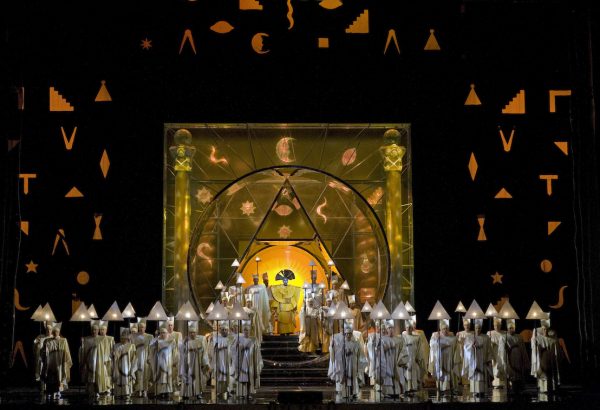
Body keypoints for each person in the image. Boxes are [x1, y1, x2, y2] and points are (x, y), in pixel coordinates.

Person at [329, 323, 362, 400]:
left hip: (352, 363)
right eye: (347, 334)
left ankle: (353, 392)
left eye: (350, 334)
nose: (348, 335)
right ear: (345, 334)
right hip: (345, 363)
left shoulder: (355, 343)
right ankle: (345, 393)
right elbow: (338, 354)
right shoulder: (342, 344)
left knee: (353, 378)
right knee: (346, 378)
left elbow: (358, 352)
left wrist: (353, 352)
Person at [230, 321, 262, 399]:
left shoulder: (253, 339)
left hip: (250, 362)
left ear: (250, 330)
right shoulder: (238, 338)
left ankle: (249, 393)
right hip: (241, 361)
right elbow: (233, 349)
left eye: (247, 330)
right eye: (244, 330)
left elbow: (257, 351)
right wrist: (239, 347)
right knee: (242, 378)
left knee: (249, 378)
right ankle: (241, 393)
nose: (246, 332)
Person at [40, 323, 72, 400]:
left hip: (59, 363)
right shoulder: (47, 341)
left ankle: (58, 391)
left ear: (59, 332)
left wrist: (67, 360)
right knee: (50, 377)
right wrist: (44, 352)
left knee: (59, 376)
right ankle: (49, 391)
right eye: (54, 332)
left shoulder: (63, 341)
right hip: (50, 362)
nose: (55, 333)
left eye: (57, 332)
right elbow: (43, 352)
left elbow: (66, 351)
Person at [461, 318, 493, 398]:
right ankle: (475, 391)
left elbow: (489, 349)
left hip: (482, 361)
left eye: (479, 328)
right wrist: (472, 346)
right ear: (474, 328)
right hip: (473, 361)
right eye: (476, 328)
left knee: (481, 377)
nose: (478, 329)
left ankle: (482, 392)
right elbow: (466, 348)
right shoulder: (470, 337)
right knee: (475, 377)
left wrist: (489, 359)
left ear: (481, 328)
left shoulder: (486, 337)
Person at [179, 321, 209, 400]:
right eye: (191, 332)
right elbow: (181, 352)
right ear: (189, 333)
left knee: (197, 378)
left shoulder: (200, 341)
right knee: (187, 377)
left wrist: (205, 363)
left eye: (194, 332)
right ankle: (186, 393)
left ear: (196, 333)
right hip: (188, 364)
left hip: (197, 364)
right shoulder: (186, 341)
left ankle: (197, 393)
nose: (192, 334)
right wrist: (184, 344)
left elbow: (204, 352)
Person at [428, 319, 460, 394]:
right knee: (441, 372)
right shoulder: (436, 337)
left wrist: (457, 338)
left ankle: (447, 388)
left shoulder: (451, 338)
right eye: (443, 329)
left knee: (448, 373)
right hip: (440, 359)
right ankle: (440, 387)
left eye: (446, 329)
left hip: (448, 359)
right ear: (440, 329)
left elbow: (455, 344)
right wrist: (436, 340)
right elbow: (432, 345)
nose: (445, 330)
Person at [531, 318, 560, 395]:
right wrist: (535, 342)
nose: (545, 331)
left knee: (551, 373)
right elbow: (535, 346)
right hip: (543, 357)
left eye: (546, 329)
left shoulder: (552, 339)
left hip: (550, 357)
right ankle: (543, 388)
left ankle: (551, 388)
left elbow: (556, 350)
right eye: (543, 329)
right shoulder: (539, 338)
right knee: (544, 373)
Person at [149, 323, 177, 399]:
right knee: (160, 378)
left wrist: (175, 361)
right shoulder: (157, 341)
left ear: (167, 333)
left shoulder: (171, 341)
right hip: (159, 363)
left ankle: (167, 392)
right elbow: (151, 348)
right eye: (161, 333)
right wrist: (155, 337)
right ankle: (160, 392)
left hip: (168, 362)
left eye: (164, 333)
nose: (162, 334)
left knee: (167, 378)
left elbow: (175, 351)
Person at [271, 269, 301, 335]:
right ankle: (282, 332)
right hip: (281, 307)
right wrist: (275, 308)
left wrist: (294, 305)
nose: (285, 281)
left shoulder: (292, 288)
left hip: (289, 307)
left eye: (286, 280)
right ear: (282, 280)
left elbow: (294, 296)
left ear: (288, 280)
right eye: (284, 280)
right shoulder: (278, 288)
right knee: (281, 321)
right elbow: (277, 297)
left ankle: (289, 332)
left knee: (289, 320)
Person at [401, 319, 426, 395]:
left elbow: (419, 349)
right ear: (405, 328)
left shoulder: (416, 337)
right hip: (406, 358)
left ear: (412, 328)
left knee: (414, 371)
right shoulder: (403, 337)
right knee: (407, 372)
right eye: (407, 327)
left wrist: (419, 358)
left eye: (410, 327)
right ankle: (407, 387)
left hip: (413, 357)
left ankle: (414, 387)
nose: (408, 329)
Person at [505, 319, 529, 393]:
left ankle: (519, 389)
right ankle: (511, 389)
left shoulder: (519, 337)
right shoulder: (504, 337)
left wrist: (525, 360)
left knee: (518, 375)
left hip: (518, 359)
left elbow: (523, 349)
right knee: (511, 374)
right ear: (507, 329)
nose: (511, 330)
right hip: (510, 358)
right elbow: (502, 350)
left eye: (513, 328)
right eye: (510, 328)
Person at [209, 321, 231, 400]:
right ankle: (219, 391)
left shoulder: (230, 339)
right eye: (223, 329)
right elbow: (212, 349)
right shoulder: (216, 338)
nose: (224, 331)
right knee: (219, 376)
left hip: (227, 360)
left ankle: (228, 390)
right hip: (219, 360)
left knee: (228, 376)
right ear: (220, 330)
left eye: (226, 330)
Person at [112, 327, 137, 398]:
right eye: (122, 337)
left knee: (125, 378)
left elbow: (134, 357)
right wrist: (114, 355)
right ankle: (118, 393)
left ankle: (126, 393)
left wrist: (132, 368)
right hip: (118, 366)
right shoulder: (116, 345)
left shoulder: (131, 346)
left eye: (125, 338)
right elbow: (112, 356)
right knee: (119, 379)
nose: (123, 339)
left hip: (127, 365)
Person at [131, 318, 153, 397]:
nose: (141, 328)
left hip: (146, 356)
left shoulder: (149, 336)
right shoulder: (134, 336)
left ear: (145, 328)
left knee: (146, 373)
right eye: (140, 327)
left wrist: (150, 358)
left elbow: (151, 348)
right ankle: (139, 389)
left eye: (143, 327)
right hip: (137, 356)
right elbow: (131, 347)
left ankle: (145, 390)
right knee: (138, 373)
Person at [34, 322, 53, 395]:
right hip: (41, 358)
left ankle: (49, 388)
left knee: (48, 373)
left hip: (50, 358)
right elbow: (35, 343)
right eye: (47, 330)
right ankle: (42, 388)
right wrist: (36, 343)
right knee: (41, 372)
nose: (48, 331)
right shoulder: (41, 336)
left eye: (50, 330)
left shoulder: (52, 337)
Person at [487, 317, 507, 388]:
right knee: (495, 367)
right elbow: (488, 344)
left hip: (502, 352)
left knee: (502, 365)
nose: (497, 327)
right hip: (494, 352)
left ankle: (503, 382)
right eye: (495, 326)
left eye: (498, 325)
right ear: (493, 326)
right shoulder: (490, 333)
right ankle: (496, 382)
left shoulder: (504, 333)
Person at [96, 321, 114, 397]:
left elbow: (113, 348)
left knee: (108, 374)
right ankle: (100, 388)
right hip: (99, 359)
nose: (102, 331)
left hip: (108, 359)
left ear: (106, 330)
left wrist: (111, 357)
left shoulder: (110, 338)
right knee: (100, 374)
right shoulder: (97, 338)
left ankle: (108, 388)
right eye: (101, 330)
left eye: (103, 330)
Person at [166, 317, 182, 395]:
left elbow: (179, 346)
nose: (170, 327)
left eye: (171, 325)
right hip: (167, 357)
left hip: (175, 355)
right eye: (168, 325)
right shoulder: (164, 334)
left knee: (175, 373)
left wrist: (176, 358)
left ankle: (175, 388)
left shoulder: (177, 334)